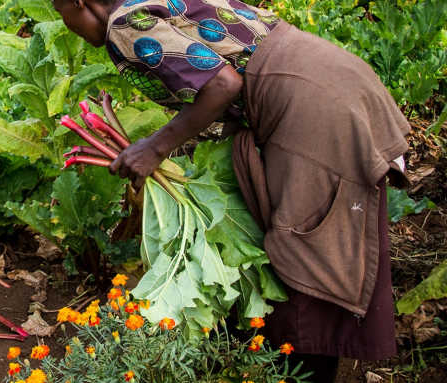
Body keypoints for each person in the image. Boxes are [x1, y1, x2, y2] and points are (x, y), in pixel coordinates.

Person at [51, 0, 410, 381]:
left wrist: (153, 148)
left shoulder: (125, 24)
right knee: (318, 236)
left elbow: (224, 83)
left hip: (309, 107)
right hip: (333, 80)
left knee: (307, 250)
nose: (66, 23)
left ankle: (302, 371)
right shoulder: (149, 3)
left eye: (61, 13)